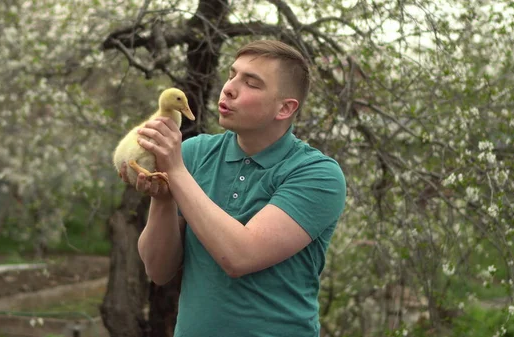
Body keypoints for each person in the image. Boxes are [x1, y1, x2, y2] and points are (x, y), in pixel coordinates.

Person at [120, 40, 347, 337]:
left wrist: (174, 171)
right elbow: (158, 270)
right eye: (231, 75)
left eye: (251, 83)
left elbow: (240, 257)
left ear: (285, 108)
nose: (229, 88)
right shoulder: (195, 153)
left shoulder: (317, 175)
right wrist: (163, 200)